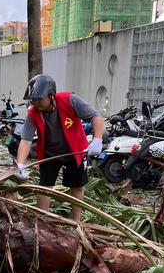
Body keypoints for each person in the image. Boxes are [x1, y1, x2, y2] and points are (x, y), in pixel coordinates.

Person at [16, 74, 104, 222]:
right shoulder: (32, 114)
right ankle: (41, 221)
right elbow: (26, 140)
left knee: (76, 187)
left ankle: (76, 222)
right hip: (50, 154)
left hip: (75, 151)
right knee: (44, 187)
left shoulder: (70, 100)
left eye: (39, 99)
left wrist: (98, 139)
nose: (36, 103)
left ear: (51, 95)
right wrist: (20, 163)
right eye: (33, 100)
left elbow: (95, 116)